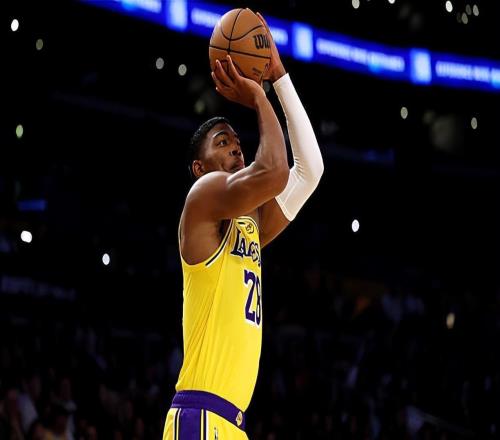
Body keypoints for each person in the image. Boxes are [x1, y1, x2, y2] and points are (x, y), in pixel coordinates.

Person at [163, 12, 324, 439]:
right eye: (222, 143)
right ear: (199, 168)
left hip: (231, 422)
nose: (236, 147)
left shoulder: (249, 225)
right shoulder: (201, 198)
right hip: (200, 415)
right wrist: (257, 95)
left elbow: (310, 171)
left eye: (237, 141)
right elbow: (273, 171)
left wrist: (279, 77)